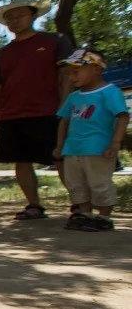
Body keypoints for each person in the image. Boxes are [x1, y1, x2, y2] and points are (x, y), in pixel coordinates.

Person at [0, 0, 74, 220]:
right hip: (13, 115)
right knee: (21, 160)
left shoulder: (55, 41)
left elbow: (66, 75)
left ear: (32, 15)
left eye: (19, 15)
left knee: (60, 157)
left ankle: (79, 205)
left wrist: (65, 106)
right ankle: (34, 205)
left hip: (50, 111)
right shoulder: (1, 54)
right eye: (10, 18)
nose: (14, 20)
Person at [54, 49, 129, 231]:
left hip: (98, 149)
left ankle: (104, 217)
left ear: (96, 68)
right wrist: (59, 145)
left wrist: (115, 143)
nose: (71, 77)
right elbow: (64, 120)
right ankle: (85, 215)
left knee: (100, 183)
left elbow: (122, 117)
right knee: (76, 184)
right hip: (72, 149)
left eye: (76, 71)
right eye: (69, 73)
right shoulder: (73, 97)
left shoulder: (110, 92)